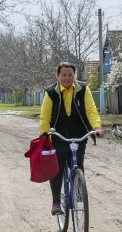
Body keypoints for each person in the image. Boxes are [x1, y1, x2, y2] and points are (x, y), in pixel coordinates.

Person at [39, 62, 104, 215]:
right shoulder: (51, 93)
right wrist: (44, 134)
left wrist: (96, 127)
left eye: (70, 75)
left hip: (79, 133)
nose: (67, 78)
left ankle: (78, 187)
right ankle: (56, 202)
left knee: (78, 164)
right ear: (58, 76)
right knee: (57, 168)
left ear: (75, 75)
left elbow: (91, 110)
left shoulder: (83, 89)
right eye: (64, 75)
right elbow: (45, 117)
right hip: (58, 134)